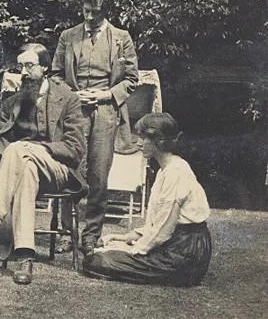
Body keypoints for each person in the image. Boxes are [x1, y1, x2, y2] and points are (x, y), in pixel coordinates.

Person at [0, 43, 87, 285]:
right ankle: (25, 257)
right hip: (25, 170)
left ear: (45, 67)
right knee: (26, 170)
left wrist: (40, 148)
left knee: (17, 149)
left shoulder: (68, 99)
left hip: (58, 169)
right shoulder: (11, 103)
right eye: (20, 66)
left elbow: (75, 149)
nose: (23, 72)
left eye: (30, 65)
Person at [51, 0, 139, 256]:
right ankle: (66, 233)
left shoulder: (121, 38)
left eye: (95, 13)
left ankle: (90, 236)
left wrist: (104, 96)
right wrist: (74, 96)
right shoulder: (68, 36)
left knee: (99, 176)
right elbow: (54, 75)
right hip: (74, 112)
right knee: (69, 171)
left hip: (105, 113)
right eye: (86, 11)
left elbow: (131, 79)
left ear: (106, 11)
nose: (89, 17)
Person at [83, 113, 212, 286]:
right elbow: (157, 224)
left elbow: (164, 228)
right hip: (178, 246)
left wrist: (132, 251)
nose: (138, 143)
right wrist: (121, 238)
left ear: (158, 141)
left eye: (143, 138)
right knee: (97, 254)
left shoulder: (176, 172)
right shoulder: (165, 170)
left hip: (184, 253)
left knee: (96, 261)